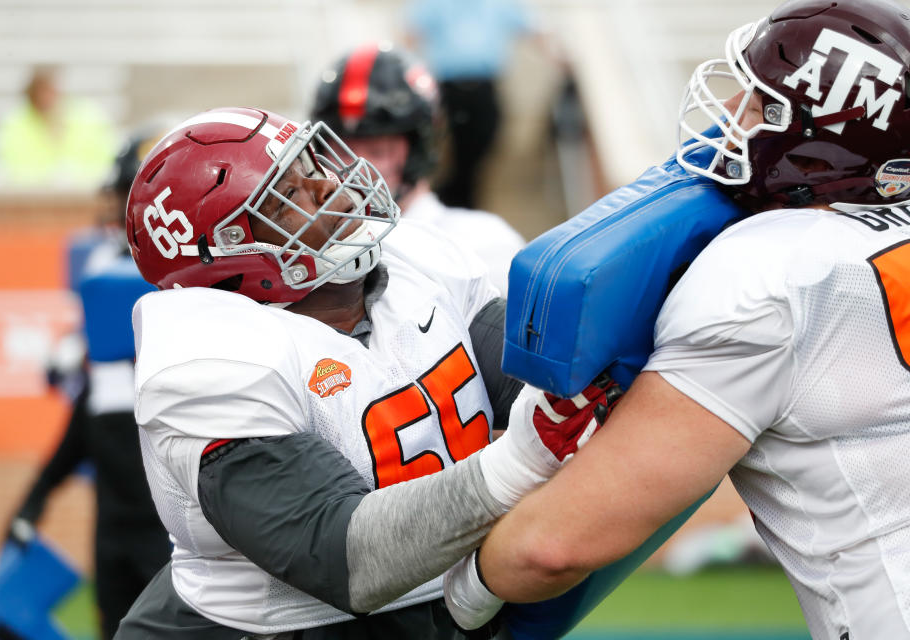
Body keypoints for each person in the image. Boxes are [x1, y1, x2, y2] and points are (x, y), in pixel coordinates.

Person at [444, 1, 910, 638]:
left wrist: (460, 597)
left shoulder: (769, 274)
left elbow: (555, 546)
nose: (732, 118)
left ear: (816, 138)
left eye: (756, 101)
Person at [114, 106, 622, 639]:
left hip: (429, 608)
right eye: (289, 194)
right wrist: (519, 459)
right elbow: (346, 560)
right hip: (276, 627)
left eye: (313, 165)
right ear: (236, 254)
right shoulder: (210, 361)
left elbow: (545, 381)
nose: (330, 184)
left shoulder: (417, 260)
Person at [6, 128, 172, 640]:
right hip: (116, 515)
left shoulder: (185, 284)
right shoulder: (106, 278)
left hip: (172, 515)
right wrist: (36, 496)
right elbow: (90, 417)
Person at [310, 42, 526, 297]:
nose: (356, 166)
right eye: (341, 148)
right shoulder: (310, 246)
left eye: (378, 150)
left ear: (418, 151)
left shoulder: (482, 243)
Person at [404, 0, 542, 209]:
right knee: (452, 147)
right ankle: (457, 197)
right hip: (449, 90)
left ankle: (457, 193)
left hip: (486, 88)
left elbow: (532, 29)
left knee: (485, 139)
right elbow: (411, 34)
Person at [0, 65, 115, 188]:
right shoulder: (16, 123)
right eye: (41, 92)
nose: (46, 98)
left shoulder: (89, 117)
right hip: (34, 200)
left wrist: (73, 176)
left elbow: (107, 164)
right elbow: (11, 171)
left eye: (50, 91)